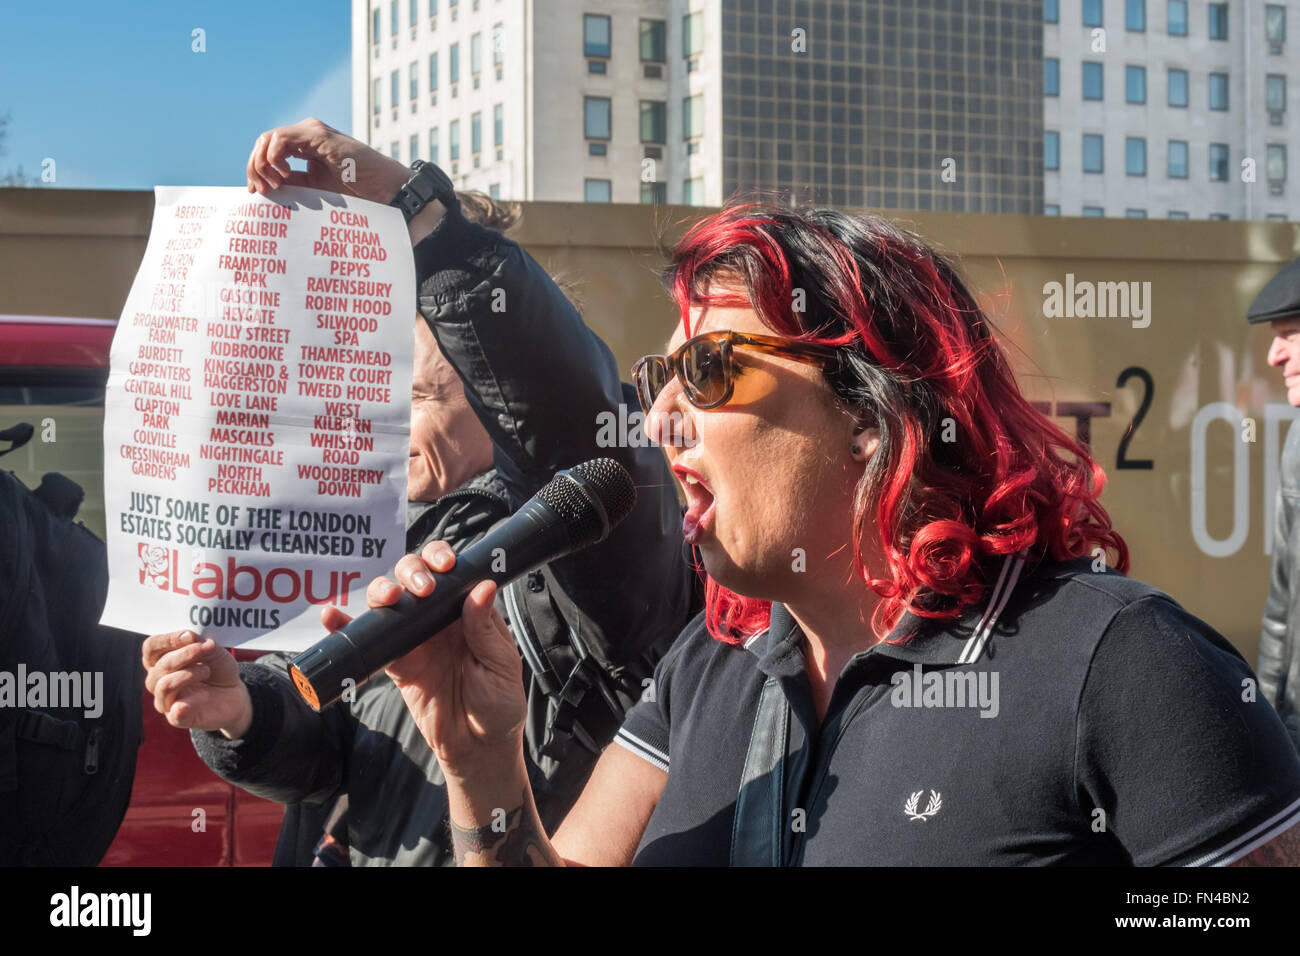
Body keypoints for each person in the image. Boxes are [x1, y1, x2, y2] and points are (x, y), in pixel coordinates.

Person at [358, 200, 1300, 866]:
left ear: (870, 408)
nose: (657, 423)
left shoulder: (1121, 659)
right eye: (661, 382)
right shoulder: (706, 669)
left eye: (713, 369)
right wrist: (481, 762)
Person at [141, 120, 696, 865]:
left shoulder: (588, 524)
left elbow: (563, 416)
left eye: (422, 395)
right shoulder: (384, 534)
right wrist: (240, 713)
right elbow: (336, 746)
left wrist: (417, 216)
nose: (386, 420)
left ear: (491, 392)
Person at [1250, 258, 1300, 754]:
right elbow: (1283, 612)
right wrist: (1270, 736)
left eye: (1289, 334)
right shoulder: (1296, 446)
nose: (1274, 354)